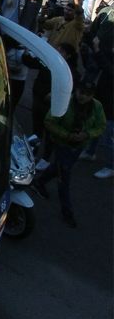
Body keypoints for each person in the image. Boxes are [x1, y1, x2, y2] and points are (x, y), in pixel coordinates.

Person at [35, 83, 104, 228]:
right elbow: (49, 121)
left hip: (79, 147)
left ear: (92, 96)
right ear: (76, 90)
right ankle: (67, 211)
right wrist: (67, 135)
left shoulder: (96, 107)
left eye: (87, 94)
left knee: (60, 167)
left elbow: (100, 126)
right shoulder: (64, 102)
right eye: (81, 92)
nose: (82, 96)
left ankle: (40, 182)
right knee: (64, 177)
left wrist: (87, 134)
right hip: (62, 145)